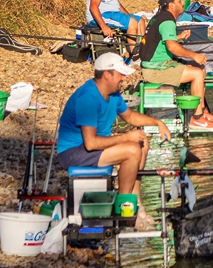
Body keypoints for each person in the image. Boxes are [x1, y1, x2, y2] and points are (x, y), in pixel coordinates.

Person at [55, 53, 171, 228]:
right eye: (120, 74)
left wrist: (158, 122)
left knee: (142, 142)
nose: (124, 78)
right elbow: (91, 143)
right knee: (132, 149)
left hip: (90, 148)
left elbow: (130, 116)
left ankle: (136, 202)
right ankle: (124, 210)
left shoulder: (114, 95)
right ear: (107, 75)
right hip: (72, 152)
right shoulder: (88, 98)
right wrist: (125, 137)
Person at [141, 0, 213, 130]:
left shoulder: (160, 17)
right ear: (171, 5)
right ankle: (196, 119)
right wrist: (194, 55)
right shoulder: (167, 20)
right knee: (196, 73)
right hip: (155, 70)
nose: (183, 3)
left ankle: (202, 112)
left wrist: (178, 37)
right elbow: (172, 47)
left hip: (159, 65)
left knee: (200, 68)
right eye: (179, 1)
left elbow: (161, 40)